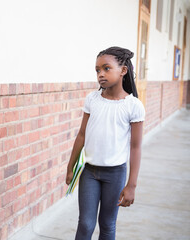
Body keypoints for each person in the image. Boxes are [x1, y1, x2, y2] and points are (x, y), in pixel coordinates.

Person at [65, 46, 145, 240]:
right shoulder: (92, 99)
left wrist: (131, 185)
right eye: (97, 70)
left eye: (106, 68)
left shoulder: (133, 106)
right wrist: (70, 167)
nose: (100, 74)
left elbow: (135, 147)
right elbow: (82, 134)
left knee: (107, 224)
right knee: (85, 223)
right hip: (89, 172)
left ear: (123, 70)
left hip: (115, 174)